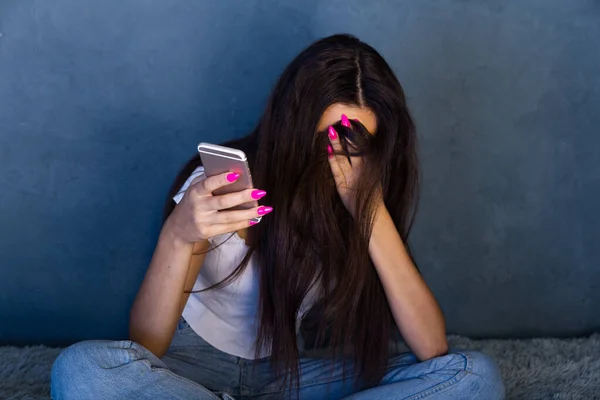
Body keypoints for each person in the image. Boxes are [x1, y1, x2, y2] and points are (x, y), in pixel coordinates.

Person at [51, 34, 505, 400]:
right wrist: (177, 235)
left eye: (355, 142)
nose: (337, 157)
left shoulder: (358, 197)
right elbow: (146, 347)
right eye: (327, 137)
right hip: (189, 371)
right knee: (83, 370)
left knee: (472, 376)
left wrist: (368, 208)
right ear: (293, 125)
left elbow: (431, 348)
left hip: (287, 376)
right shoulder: (221, 184)